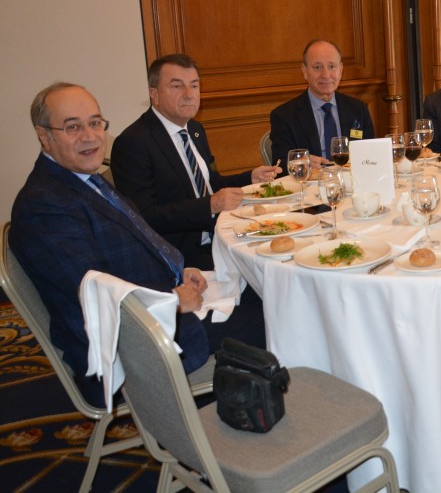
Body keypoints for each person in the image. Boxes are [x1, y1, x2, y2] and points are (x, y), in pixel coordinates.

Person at [10, 83, 266, 407]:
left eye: (94, 123)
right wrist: (173, 300)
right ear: (44, 136)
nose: (89, 136)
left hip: (156, 309)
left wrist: (179, 270)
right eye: (72, 127)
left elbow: (133, 241)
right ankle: (250, 411)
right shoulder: (45, 206)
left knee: (264, 288)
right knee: (276, 313)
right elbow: (92, 295)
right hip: (139, 342)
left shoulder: (82, 178)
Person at [112, 54, 280, 270]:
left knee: (281, 250)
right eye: (177, 86)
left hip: (220, 236)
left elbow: (211, 183)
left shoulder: (194, 129)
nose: (189, 94)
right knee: (268, 270)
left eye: (194, 85)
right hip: (182, 257)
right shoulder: (133, 143)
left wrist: (249, 178)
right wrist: (209, 206)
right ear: (154, 94)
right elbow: (144, 216)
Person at [269, 39, 376, 167]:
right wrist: (302, 162)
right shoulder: (284, 116)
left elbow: (371, 154)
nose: (325, 75)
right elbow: (279, 164)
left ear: (341, 70)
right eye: (317, 67)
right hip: (312, 179)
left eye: (331, 66)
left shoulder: (358, 109)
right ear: (305, 71)